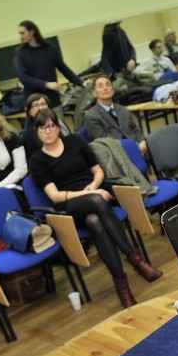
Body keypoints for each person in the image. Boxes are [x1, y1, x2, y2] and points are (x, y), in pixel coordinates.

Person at [28, 108, 162, 308]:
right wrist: (91, 194)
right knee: (97, 203)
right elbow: (55, 196)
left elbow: (98, 171)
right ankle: (137, 261)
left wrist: (94, 186)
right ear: (36, 131)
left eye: (51, 125)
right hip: (69, 205)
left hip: (93, 194)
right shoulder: (37, 160)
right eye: (42, 127)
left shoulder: (74, 141)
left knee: (94, 221)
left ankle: (122, 287)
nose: (48, 131)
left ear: (58, 127)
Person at [15, 20, 85, 110]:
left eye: (22, 33)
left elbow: (64, 69)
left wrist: (82, 82)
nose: (20, 36)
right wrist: (46, 84)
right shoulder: (20, 53)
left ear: (32, 31)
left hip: (53, 101)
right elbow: (23, 78)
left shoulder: (49, 49)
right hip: (34, 103)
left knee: (57, 123)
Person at [83, 74, 147, 156]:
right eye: (101, 86)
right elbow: (103, 143)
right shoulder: (91, 116)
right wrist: (130, 147)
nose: (105, 88)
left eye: (108, 85)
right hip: (115, 154)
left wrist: (142, 141)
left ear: (113, 90)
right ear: (94, 93)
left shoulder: (123, 109)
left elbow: (136, 130)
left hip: (137, 147)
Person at [21, 92, 71, 157]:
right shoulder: (28, 135)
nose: (40, 108)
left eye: (43, 104)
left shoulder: (57, 121)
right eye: (36, 105)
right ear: (29, 111)